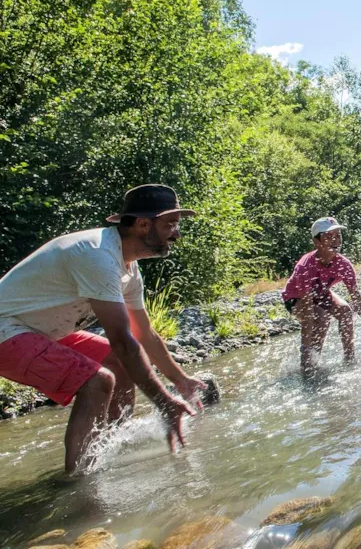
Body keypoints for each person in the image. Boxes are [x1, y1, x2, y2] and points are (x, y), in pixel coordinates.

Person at [0, 184, 206, 473]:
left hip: (36, 330)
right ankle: (76, 480)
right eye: (170, 224)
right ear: (143, 224)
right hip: (6, 329)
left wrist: (180, 380)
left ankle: (109, 447)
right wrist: (163, 401)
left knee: (116, 363)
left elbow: (144, 334)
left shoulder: (128, 268)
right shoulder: (96, 255)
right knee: (97, 380)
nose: (177, 233)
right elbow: (124, 341)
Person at [282, 217, 361, 373]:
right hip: (295, 298)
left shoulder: (343, 265)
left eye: (338, 235)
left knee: (345, 311)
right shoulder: (305, 267)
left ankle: (350, 360)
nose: (335, 240)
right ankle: (311, 363)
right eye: (329, 237)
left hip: (322, 292)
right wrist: (306, 351)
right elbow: (309, 312)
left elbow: (357, 301)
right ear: (317, 242)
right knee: (321, 317)